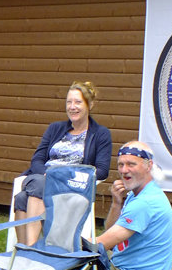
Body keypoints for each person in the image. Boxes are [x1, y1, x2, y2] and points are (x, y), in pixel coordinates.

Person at [14, 81, 113, 246]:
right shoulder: (55, 128)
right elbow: (37, 159)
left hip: (72, 186)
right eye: (69, 102)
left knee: (22, 198)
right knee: (39, 183)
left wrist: (64, 175)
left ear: (90, 105)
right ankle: (29, 254)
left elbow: (102, 170)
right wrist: (48, 175)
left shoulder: (101, 134)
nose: (72, 107)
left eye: (78, 102)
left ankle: (29, 251)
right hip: (43, 178)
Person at [94, 141, 172, 270]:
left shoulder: (144, 203)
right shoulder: (140, 193)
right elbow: (110, 229)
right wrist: (117, 202)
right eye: (121, 165)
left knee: (79, 265)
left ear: (148, 165)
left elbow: (101, 243)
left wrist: (65, 252)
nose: (124, 170)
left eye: (131, 164)